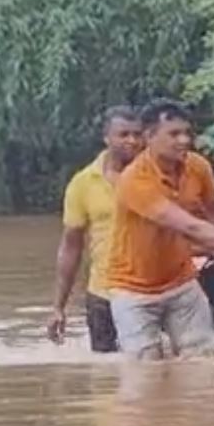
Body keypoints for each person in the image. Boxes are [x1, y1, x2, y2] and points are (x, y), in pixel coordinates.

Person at [107, 99, 214, 360]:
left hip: (182, 281)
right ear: (149, 136)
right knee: (146, 368)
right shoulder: (134, 180)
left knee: (202, 360)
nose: (184, 140)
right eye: (174, 134)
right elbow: (189, 226)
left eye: (187, 133)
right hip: (133, 289)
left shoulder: (198, 166)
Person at [48, 106, 143, 352]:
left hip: (150, 291)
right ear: (106, 138)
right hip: (103, 293)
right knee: (105, 375)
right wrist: (58, 307)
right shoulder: (83, 183)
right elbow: (71, 247)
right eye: (123, 135)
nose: (132, 141)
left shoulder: (157, 176)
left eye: (137, 134)